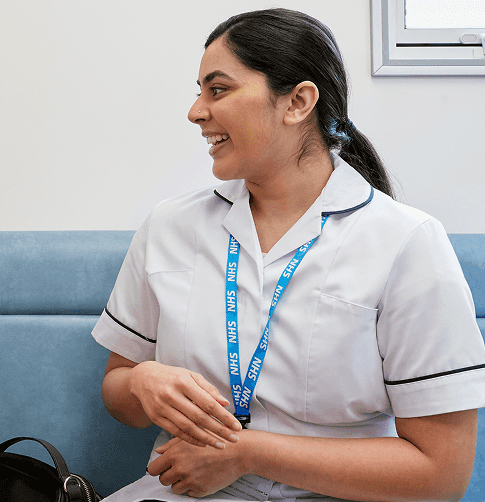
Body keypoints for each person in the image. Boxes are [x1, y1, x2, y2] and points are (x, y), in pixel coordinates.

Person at [93, 8, 484, 502]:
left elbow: (441, 475)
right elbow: (118, 390)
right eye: (199, 92)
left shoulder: (407, 242)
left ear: (298, 102)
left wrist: (248, 453)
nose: (196, 112)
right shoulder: (170, 226)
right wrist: (143, 382)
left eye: (218, 90)